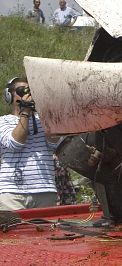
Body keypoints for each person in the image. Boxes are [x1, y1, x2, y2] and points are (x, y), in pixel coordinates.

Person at [0, 77, 60, 210]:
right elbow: (15, 143)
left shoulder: (44, 121)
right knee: (12, 225)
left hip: (44, 190)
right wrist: (25, 112)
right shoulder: (3, 121)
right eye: (22, 90)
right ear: (9, 95)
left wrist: (47, 111)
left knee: (47, 225)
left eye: (31, 91)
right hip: (12, 193)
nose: (27, 95)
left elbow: (54, 144)